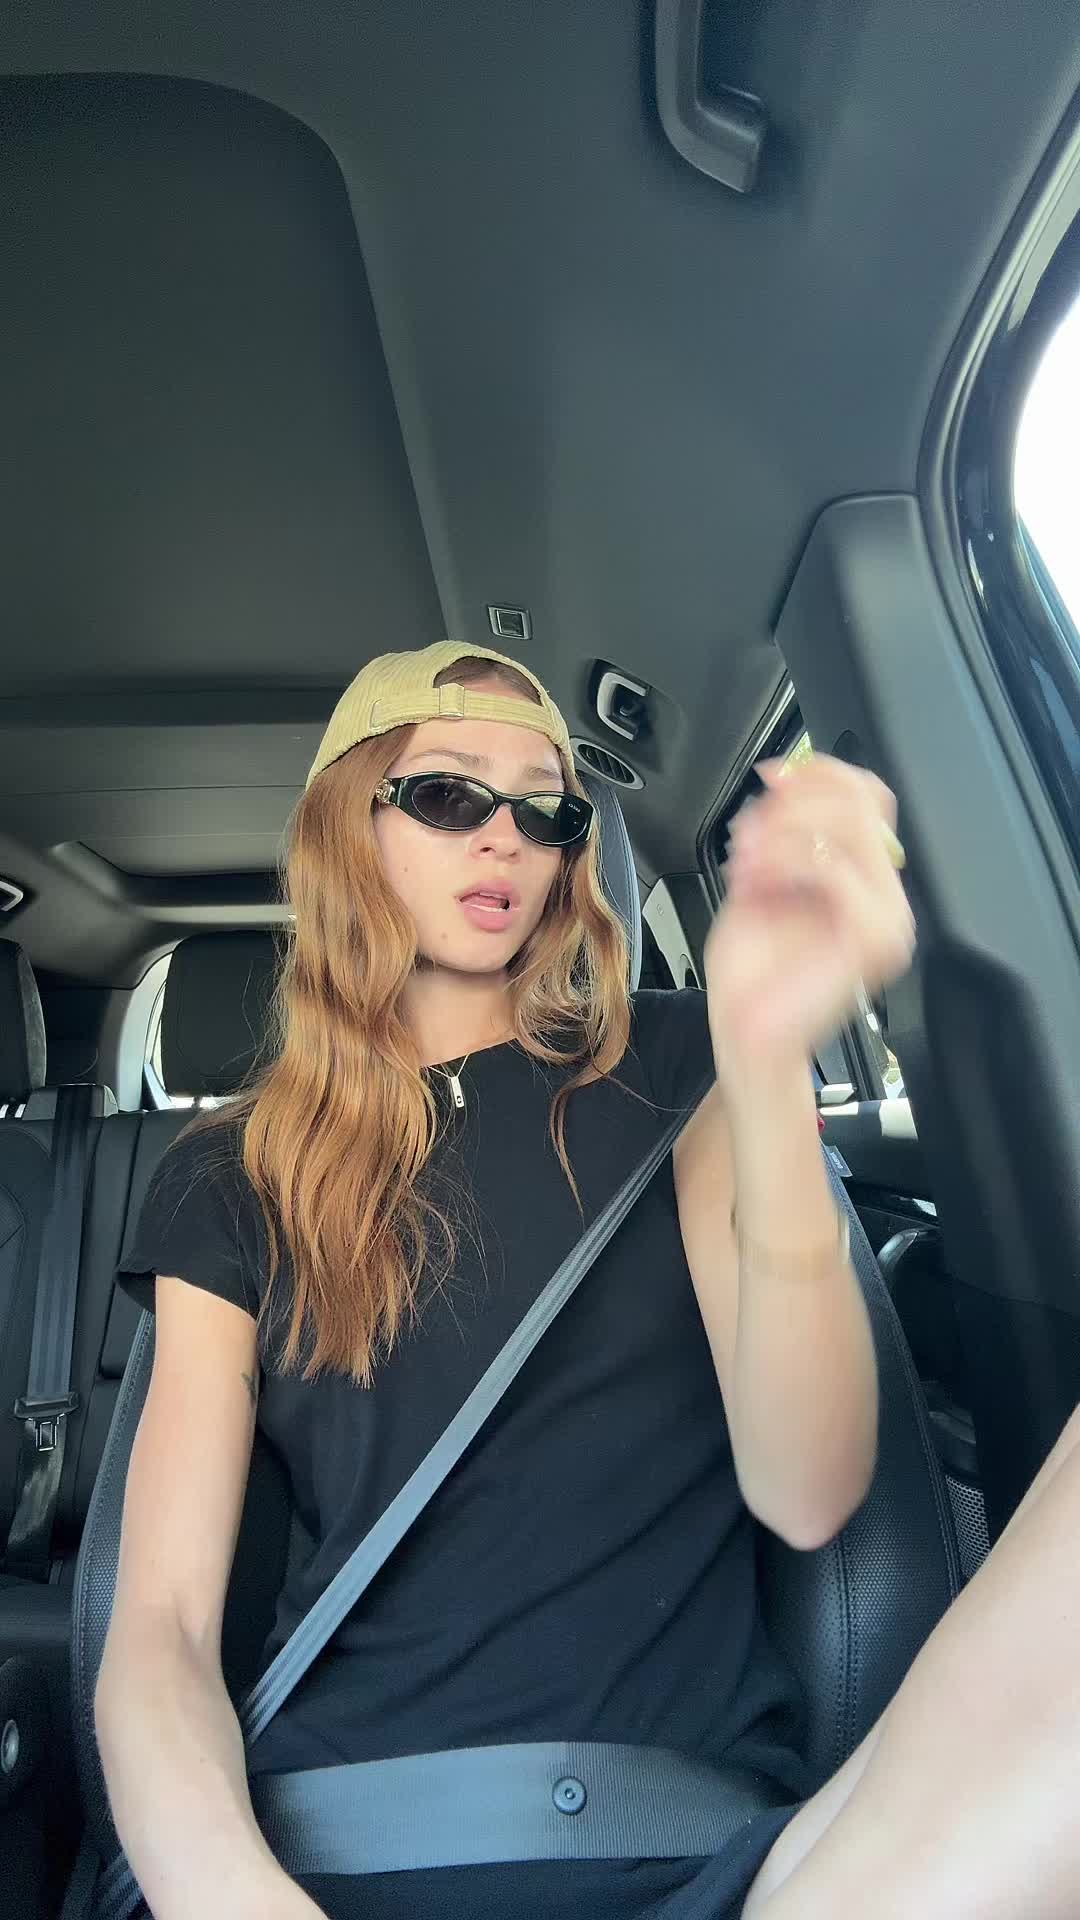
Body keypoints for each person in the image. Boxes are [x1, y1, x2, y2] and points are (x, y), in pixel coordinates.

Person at [95, 641, 1080, 1920]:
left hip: (692, 1860)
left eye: (546, 810)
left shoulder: (677, 1067)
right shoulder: (233, 1172)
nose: (503, 836)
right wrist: (235, 1898)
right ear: (349, 828)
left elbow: (808, 1489)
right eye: (447, 794)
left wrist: (764, 1064)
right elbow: (161, 1628)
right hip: (331, 1856)